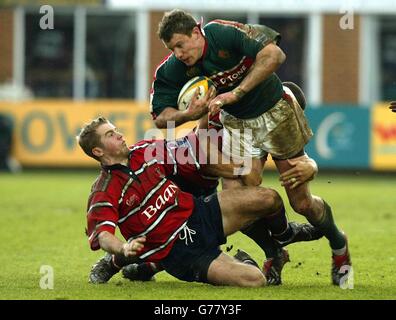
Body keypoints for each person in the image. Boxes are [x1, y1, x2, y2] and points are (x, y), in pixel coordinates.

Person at [150, 9, 351, 286]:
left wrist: (237, 93)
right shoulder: (174, 68)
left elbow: (275, 55)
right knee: (237, 201)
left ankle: (339, 244)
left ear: (196, 32)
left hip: (276, 113)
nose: (178, 54)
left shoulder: (223, 33)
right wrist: (188, 114)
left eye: (180, 45)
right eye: (173, 49)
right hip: (237, 124)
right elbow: (161, 116)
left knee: (302, 202)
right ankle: (275, 250)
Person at [78, 116, 321, 287]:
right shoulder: (103, 190)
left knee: (270, 198)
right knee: (254, 280)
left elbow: (189, 147)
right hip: (180, 252)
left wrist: (205, 118)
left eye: (116, 130)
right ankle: (239, 261)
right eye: (110, 134)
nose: (119, 134)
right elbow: (103, 235)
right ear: (98, 151)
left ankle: (283, 235)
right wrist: (122, 248)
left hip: (198, 213)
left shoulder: (145, 150)